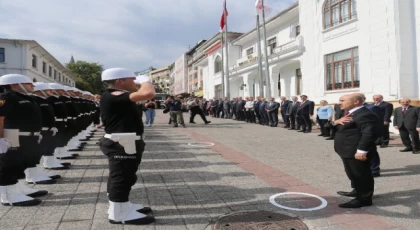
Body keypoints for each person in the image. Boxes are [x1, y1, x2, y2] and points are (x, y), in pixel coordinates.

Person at [99, 68, 155, 225]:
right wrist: (146, 81)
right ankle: (119, 213)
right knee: (121, 177)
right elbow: (148, 93)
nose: (135, 82)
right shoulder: (113, 94)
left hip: (125, 141)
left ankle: (121, 205)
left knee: (125, 175)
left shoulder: (118, 96)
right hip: (121, 142)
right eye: (132, 79)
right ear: (119, 81)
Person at [0, 74, 47, 206]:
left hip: (27, 136)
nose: (33, 86)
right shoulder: (5, 97)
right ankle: (8, 196)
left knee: (22, 163)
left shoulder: (25, 98)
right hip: (13, 135)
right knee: (9, 165)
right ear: (14, 84)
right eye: (29, 84)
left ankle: (19, 188)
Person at [333, 93, 377, 208]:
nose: (339, 103)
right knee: (352, 172)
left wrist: (362, 150)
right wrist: (336, 122)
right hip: (346, 150)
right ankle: (357, 190)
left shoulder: (365, 114)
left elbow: (369, 133)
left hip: (355, 151)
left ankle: (364, 198)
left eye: (342, 100)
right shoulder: (350, 112)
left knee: (361, 174)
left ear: (356, 102)